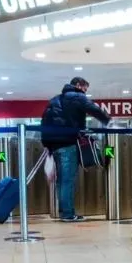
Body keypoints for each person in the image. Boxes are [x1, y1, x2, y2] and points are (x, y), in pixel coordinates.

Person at [40, 77, 110, 222]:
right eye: (85, 89)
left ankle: (63, 211)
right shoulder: (77, 96)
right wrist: (109, 122)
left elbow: (44, 121)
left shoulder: (54, 100)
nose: (85, 92)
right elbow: (94, 110)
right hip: (67, 143)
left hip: (54, 145)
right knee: (68, 180)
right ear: (78, 85)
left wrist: (47, 145)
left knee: (61, 181)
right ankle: (68, 214)